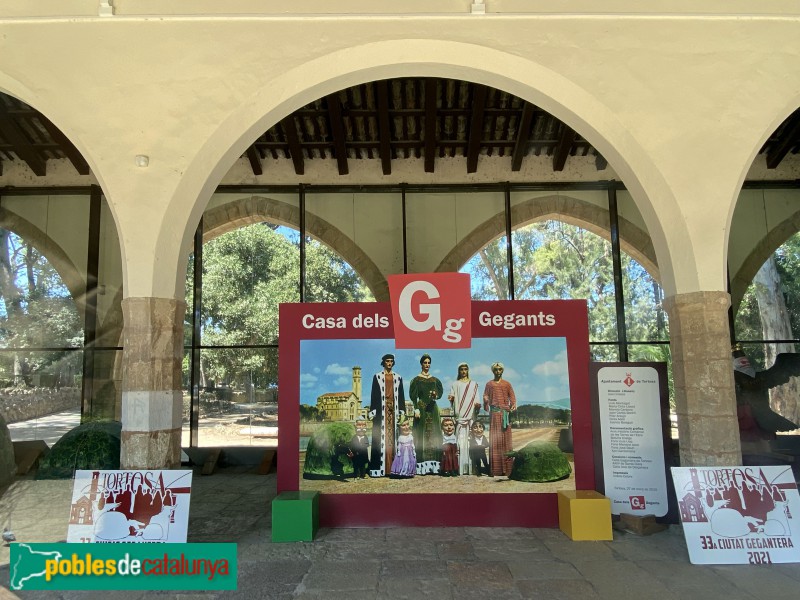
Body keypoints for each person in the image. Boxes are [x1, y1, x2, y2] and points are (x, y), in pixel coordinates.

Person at [368, 353, 406, 477]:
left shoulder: (398, 377)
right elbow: (374, 394)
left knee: (394, 440)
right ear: (383, 362)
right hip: (381, 412)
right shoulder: (377, 377)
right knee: (380, 438)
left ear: (393, 363)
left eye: (391, 361)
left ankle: (394, 468)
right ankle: (380, 469)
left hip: (394, 412)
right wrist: (373, 410)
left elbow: (401, 395)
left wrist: (401, 411)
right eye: (387, 361)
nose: (389, 363)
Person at [409, 353, 443, 472]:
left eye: (429, 363)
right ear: (421, 364)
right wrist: (416, 408)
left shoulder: (434, 379)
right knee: (421, 434)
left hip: (433, 409)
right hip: (422, 408)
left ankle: (434, 466)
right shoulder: (416, 379)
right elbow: (414, 396)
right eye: (425, 362)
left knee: (434, 433)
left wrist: (435, 395)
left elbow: (439, 394)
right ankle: (421, 466)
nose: (427, 365)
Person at [483, 362, 516, 476]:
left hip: (505, 415)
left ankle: (508, 469)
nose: (498, 371)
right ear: (493, 371)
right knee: (495, 440)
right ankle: (495, 470)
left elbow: (512, 397)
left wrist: (513, 405)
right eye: (496, 370)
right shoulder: (489, 384)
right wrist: (486, 399)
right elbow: (485, 395)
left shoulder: (507, 384)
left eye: (500, 369)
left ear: (502, 371)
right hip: (494, 415)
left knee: (506, 441)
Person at [448, 362, 480, 475]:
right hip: (460, 418)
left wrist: (477, 406)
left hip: (470, 417)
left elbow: (477, 400)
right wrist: (451, 399)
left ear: (468, 370)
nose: (463, 371)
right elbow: (452, 398)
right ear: (459, 371)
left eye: (465, 369)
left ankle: (470, 468)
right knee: (459, 443)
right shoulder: (455, 384)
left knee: (469, 443)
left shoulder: (474, 384)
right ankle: (459, 468)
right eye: (461, 369)